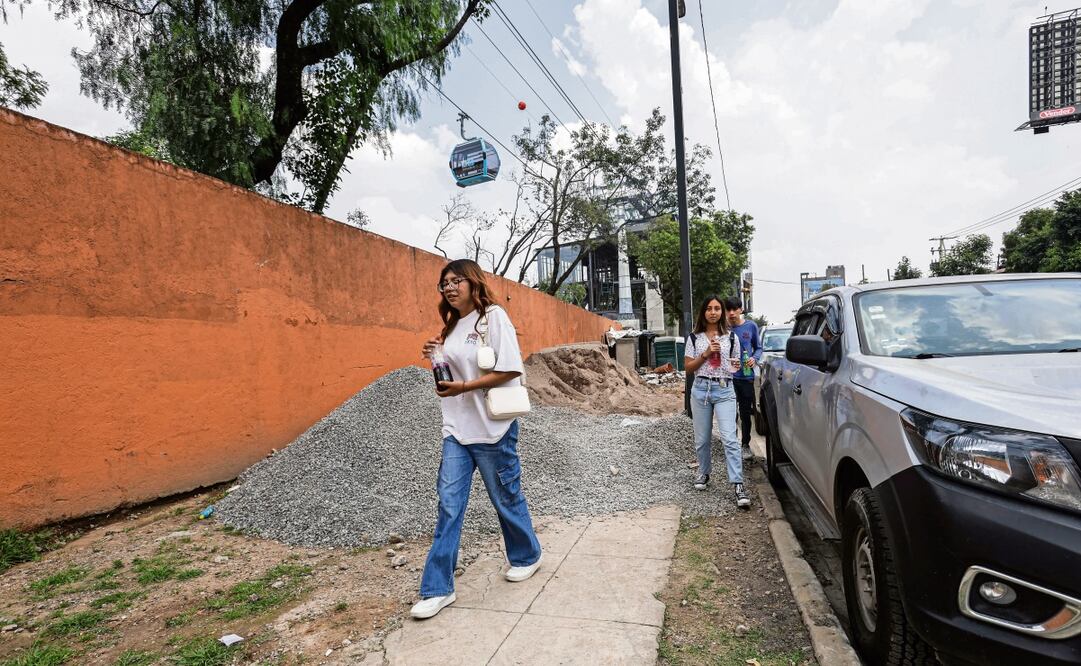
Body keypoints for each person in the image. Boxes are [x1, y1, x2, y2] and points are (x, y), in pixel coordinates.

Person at [411, 259, 543, 620]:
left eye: (456, 281)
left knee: (505, 497)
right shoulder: (451, 326)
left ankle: (527, 554)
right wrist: (435, 357)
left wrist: (465, 386)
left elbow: (511, 367)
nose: (449, 287)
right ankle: (437, 588)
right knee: (449, 505)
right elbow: (453, 374)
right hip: (456, 429)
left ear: (473, 283)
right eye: (444, 283)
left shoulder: (493, 317)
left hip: (492, 428)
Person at [684, 295, 750, 509]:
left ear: (722, 312)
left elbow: (735, 366)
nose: (713, 312)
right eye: (709, 308)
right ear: (703, 312)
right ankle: (703, 472)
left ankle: (738, 484)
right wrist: (705, 354)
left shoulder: (731, 338)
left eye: (717, 309)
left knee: (730, 438)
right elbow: (688, 368)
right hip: (701, 389)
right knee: (702, 439)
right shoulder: (694, 338)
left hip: (724, 389)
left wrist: (735, 365)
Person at [724, 297, 763, 455]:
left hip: (746, 378)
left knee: (745, 412)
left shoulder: (751, 326)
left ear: (741, 310)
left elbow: (758, 348)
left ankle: (745, 444)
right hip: (728, 378)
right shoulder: (722, 329)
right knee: (730, 412)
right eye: (729, 310)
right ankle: (732, 444)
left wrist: (754, 359)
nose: (732, 313)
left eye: (735, 309)